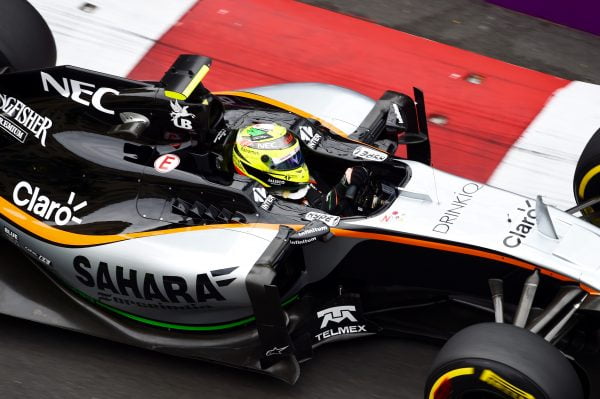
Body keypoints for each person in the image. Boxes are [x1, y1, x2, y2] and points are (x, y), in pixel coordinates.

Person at [231, 122, 369, 215]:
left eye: (295, 157)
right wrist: (344, 184)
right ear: (257, 169)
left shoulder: (304, 178)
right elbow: (315, 216)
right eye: (285, 163)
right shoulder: (264, 204)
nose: (295, 164)